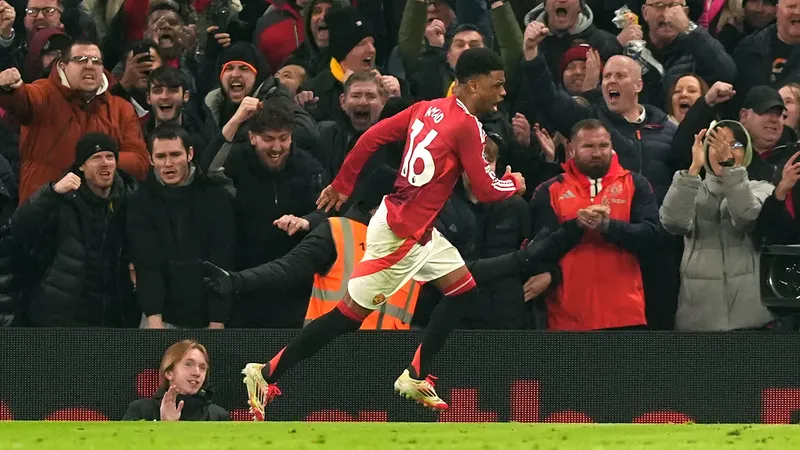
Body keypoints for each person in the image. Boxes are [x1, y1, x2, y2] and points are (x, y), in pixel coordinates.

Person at [225, 47, 581, 420]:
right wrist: (514, 183)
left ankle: (415, 373)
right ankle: (264, 373)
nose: (503, 93)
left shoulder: (425, 108)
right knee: (345, 317)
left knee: (462, 290)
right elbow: (488, 189)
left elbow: (369, 140)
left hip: (416, 227)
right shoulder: (467, 127)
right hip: (400, 236)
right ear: (474, 85)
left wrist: (343, 184)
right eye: (498, 85)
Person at [10, 133, 137, 327]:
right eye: (96, 158)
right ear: (81, 166)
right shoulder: (62, 198)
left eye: (110, 157)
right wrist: (51, 193)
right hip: (64, 316)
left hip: (113, 316)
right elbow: (18, 228)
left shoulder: (130, 199)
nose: (105, 163)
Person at [660, 121, 775, 330]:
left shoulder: (762, 189)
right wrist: (693, 170)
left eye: (734, 145)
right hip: (698, 317)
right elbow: (673, 223)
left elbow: (745, 218)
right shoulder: (691, 186)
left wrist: (732, 169)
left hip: (750, 317)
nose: (725, 151)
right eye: (717, 144)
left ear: (747, 152)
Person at [127, 124, 235, 329]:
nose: (168, 163)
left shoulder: (216, 199)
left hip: (208, 317)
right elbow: (147, 264)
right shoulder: (139, 201)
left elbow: (221, 262)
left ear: (190, 154)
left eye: (175, 154)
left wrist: (217, 320)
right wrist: (154, 320)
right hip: (160, 316)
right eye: (160, 157)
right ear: (150, 159)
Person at [122, 339, 229, 421]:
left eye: (202, 367)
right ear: (169, 373)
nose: (197, 373)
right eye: (188, 364)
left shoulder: (217, 415)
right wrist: (166, 427)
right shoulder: (141, 410)